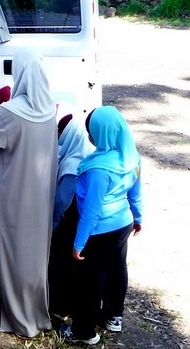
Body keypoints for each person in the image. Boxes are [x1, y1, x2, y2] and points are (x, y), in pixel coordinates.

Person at [0, 47, 57, 338]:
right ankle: (34, 309)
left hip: (13, 198)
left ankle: (10, 314)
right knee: (33, 254)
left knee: (8, 251)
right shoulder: (50, 110)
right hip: (41, 198)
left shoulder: (9, 112)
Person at [62, 106, 143, 345]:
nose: (90, 136)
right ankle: (114, 316)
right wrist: (138, 218)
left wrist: (79, 243)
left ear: (100, 133)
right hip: (123, 224)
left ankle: (84, 332)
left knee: (91, 281)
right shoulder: (131, 156)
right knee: (118, 269)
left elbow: (92, 210)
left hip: (99, 231)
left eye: (92, 131)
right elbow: (135, 193)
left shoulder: (98, 168)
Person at [49, 113, 95, 319]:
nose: (58, 136)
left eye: (60, 132)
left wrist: (50, 220)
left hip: (68, 223)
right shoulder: (87, 154)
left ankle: (61, 306)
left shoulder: (72, 164)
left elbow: (61, 201)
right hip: (81, 221)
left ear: (68, 135)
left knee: (62, 265)